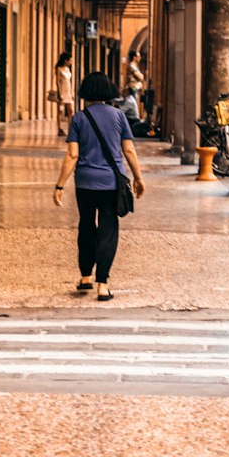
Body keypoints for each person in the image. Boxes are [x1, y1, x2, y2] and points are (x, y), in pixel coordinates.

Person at [52, 71, 145, 301]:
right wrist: (138, 177)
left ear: (85, 92)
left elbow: (72, 155)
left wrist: (60, 185)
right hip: (111, 183)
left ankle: (85, 277)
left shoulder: (79, 118)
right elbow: (129, 150)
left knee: (86, 226)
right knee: (108, 228)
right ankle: (102, 284)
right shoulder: (118, 116)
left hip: (85, 182)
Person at [53, 51, 74, 136]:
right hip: (62, 93)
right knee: (60, 111)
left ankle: (70, 128)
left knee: (70, 110)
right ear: (66, 60)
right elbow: (57, 81)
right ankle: (59, 129)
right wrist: (60, 93)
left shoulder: (68, 69)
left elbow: (69, 82)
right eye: (70, 60)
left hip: (68, 93)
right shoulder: (59, 69)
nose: (71, 62)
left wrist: (71, 92)